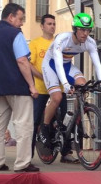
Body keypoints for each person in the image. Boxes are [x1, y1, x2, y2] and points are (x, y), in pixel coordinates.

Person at [40, 12, 101, 160]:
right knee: (57, 97)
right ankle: (45, 128)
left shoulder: (90, 42)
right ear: (74, 29)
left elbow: (97, 65)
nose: (85, 33)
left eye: (88, 30)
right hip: (51, 65)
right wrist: (65, 84)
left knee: (83, 85)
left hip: (67, 66)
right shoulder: (62, 39)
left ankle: (75, 120)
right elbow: (58, 64)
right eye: (81, 30)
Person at [0, 2, 40, 172]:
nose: (21, 23)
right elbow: (22, 61)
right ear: (11, 16)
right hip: (16, 86)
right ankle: (22, 164)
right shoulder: (15, 34)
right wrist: (31, 86)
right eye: (20, 19)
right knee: (23, 125)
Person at [29, 14, 78, 163]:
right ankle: (27, 155)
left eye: (54, 24)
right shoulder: (35, 43)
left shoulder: (61, 42)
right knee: (35, 121)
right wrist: (44, 76)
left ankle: (66, 153)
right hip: (41, 89)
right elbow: (29, 64)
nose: (52, 26)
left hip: (60, 88)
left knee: (66, 120)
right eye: (49, 24)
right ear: (42, 26)